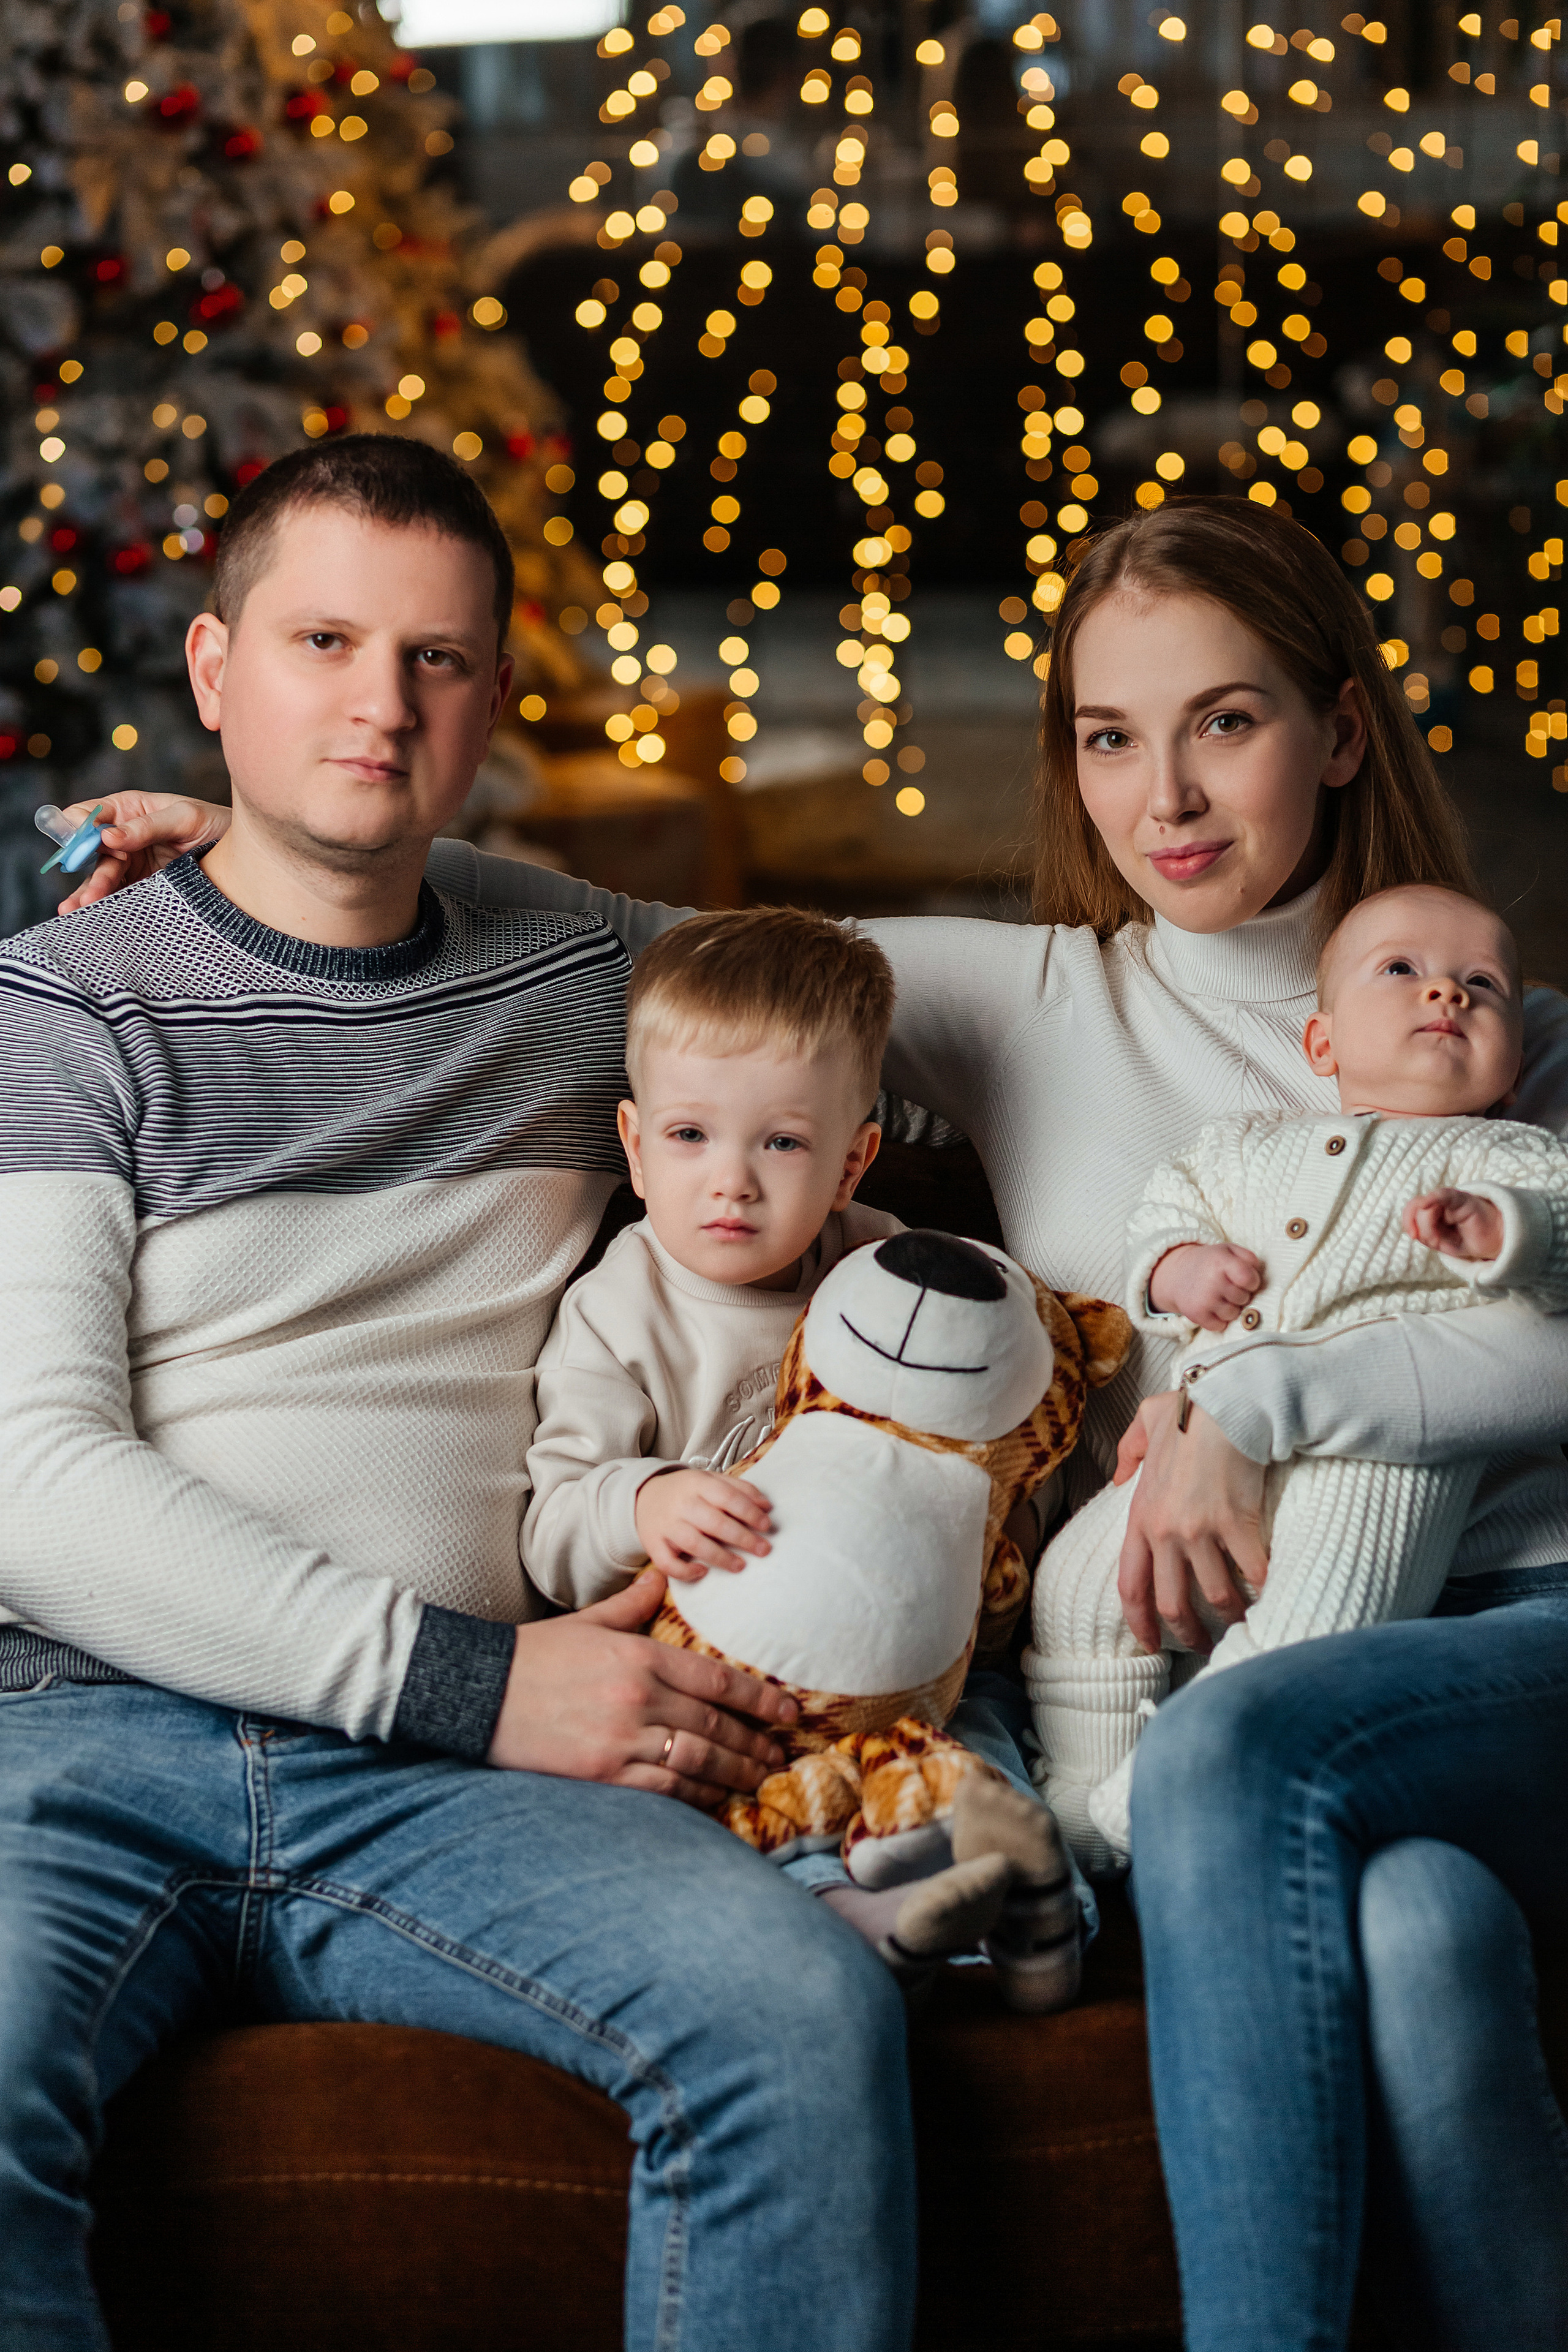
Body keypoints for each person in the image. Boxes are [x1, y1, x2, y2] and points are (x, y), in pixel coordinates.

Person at [70, 496, 1568, 2345]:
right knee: (1424, 1942)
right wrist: (285, 835)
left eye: (1228, 722)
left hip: (1497, 1638)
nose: (1165, 795)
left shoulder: (1502, 1031)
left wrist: (1267, 1401)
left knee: (1232, 1767)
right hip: (1254, 1674)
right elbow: (673, 952)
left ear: (1341, 730)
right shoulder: (1025, 999)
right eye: (1110, 736)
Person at [0, 435, 918, 2352]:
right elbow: (30, 1479)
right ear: (211, 669)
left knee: (800, 2018)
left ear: (497, 696)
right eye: (322, 642)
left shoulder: (597, 980)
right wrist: (485, 1681)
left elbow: (902, 1010)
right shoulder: (57, 1008)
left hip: (438, 1796)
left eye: (435, 660)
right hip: (82, 1749)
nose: (378, 704)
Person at [524, 905, 1084, 2002]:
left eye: (781, 1142)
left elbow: (997, 1437)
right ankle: (866, 1910)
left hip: (902, 1675)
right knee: (687, 1795)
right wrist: (643, 1502)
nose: (732, 1180)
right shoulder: (617, 1309)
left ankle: (1032, 1906)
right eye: (691, 1137)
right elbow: (552, 1532)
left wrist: (997, 1538)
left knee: (982, 1743)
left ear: (851, 1159)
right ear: (635, 1147)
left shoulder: (890, 1275)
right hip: (718, 1678)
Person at [1027, 882, 1568, 1872]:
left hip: (1389, 1456)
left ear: (1514, 1062)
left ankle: (1146, 1811)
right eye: (1402, 971)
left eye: (1482, 987)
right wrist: (1176, 1267)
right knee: (1075, 1588)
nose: (1445, 995)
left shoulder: (1515, 1156)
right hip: (1199, 1439)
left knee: (1316, 1624)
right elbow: (1164, 1210)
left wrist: (1510, 1231)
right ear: (1322, 1047)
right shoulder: (1245, 1146)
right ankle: (1074, 1820)